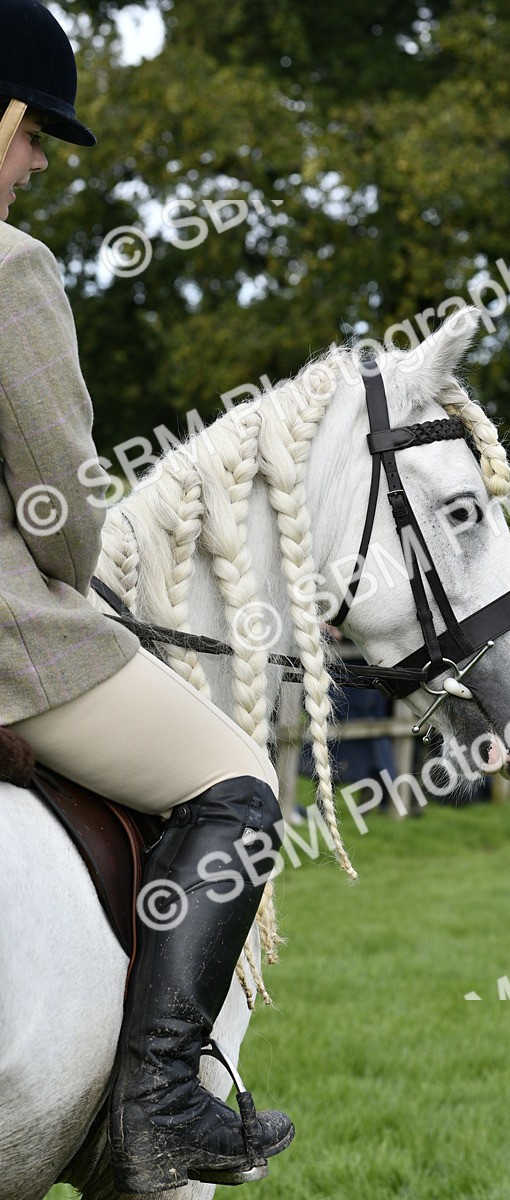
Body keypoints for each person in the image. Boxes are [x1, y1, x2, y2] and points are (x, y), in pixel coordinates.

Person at [0, 2, 293, 1192]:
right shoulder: (12, 268)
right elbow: (60, 519)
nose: (29, 168)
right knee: (238, 784)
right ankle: (165, 1097)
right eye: (32, 139)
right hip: (17, 643)